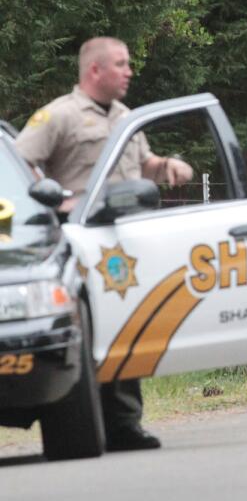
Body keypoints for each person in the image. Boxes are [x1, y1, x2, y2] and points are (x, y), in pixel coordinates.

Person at [15, 37, 193, 451]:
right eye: (121, 63)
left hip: (123, 242)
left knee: (125, 325)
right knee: (89, 330)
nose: (129, 71)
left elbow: (141, 164)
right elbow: (23, 162)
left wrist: (165, 166)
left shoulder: (128, 118)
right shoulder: (58, 115)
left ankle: (125, 425)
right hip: (79, 241)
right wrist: (58, 199)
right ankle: (86, 422)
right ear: (95, 70)